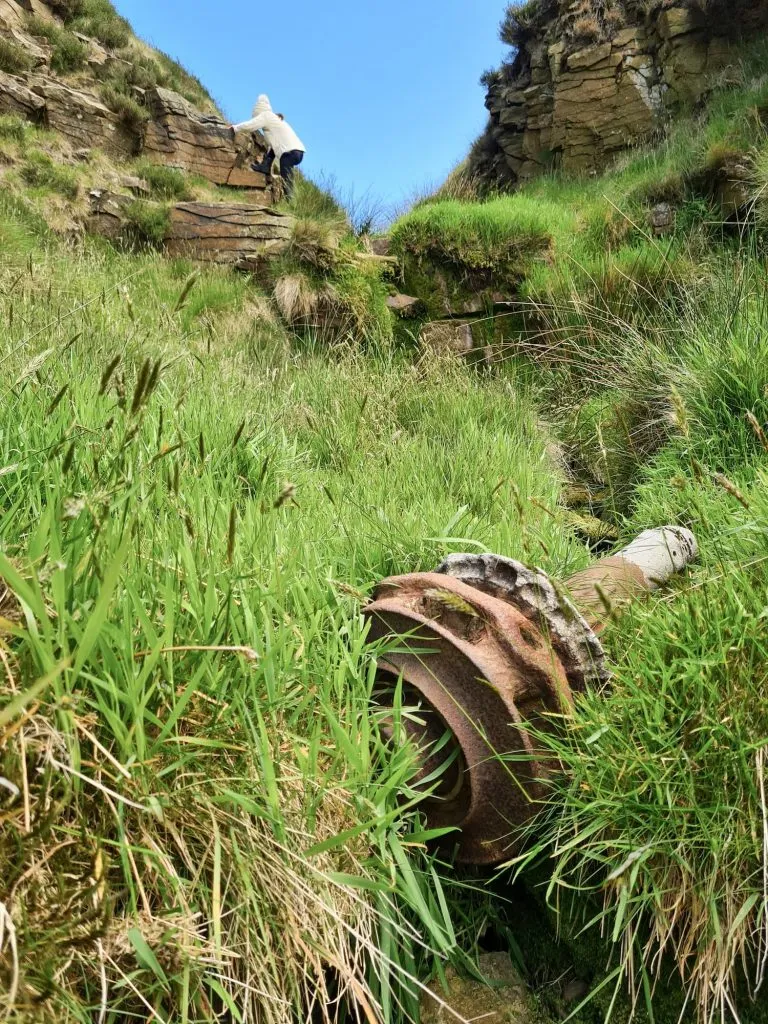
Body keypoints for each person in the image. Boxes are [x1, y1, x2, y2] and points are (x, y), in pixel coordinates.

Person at [230, 95, 305, 199]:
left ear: (258, 111)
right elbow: (274, 145)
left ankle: (290, 200)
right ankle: (265, 166)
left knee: (286, 179)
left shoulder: (266, 116)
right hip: (297, 152)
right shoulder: (274, 120)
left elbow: (250, 125)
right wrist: (267, 162)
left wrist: (235, 128)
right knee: (286, 173)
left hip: (290, 153)